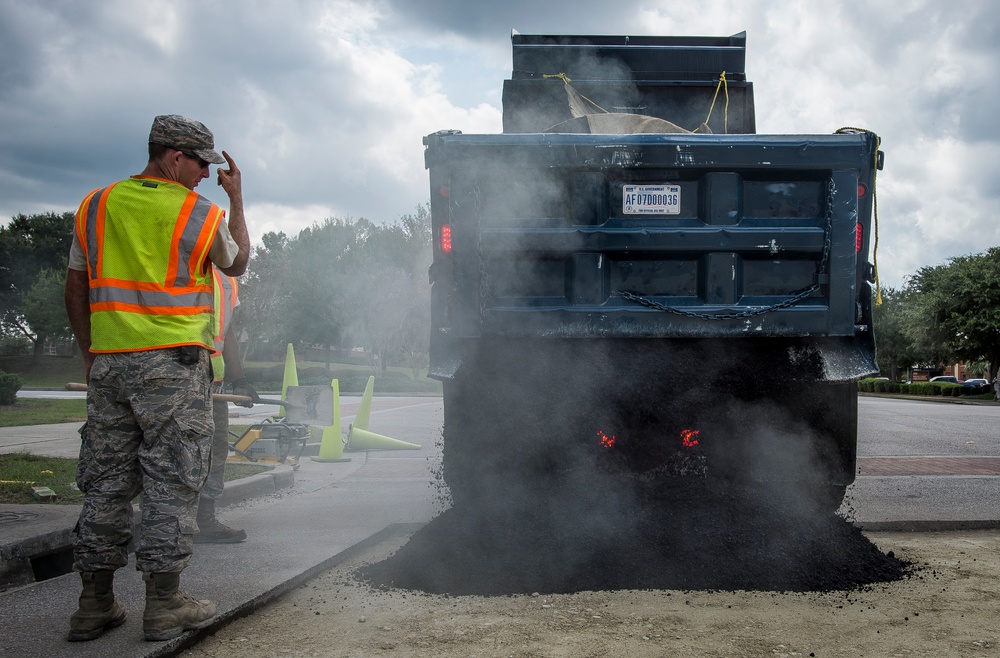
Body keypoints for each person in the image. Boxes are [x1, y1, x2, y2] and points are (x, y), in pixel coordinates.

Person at [63, 114, 249, 642]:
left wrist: (90, 355)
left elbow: (75, 288)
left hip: (112, 363)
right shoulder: (199, 213)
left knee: (106, 483)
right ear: (172, 156)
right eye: (199, 164)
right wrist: (236, 199)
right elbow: (236, 266)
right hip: (172, 366)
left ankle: (93, 604)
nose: (203, 175)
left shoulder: (95, 206)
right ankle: (164, 604)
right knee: (172, 480)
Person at [196, 266, 259, 544]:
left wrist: (240, 380)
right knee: (178, 450)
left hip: (213, 382)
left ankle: (205, 519)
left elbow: (227, 329)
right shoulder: (183, 262)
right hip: (178, 375)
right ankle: (171, 521)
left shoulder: (228, 280)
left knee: (216, 449)